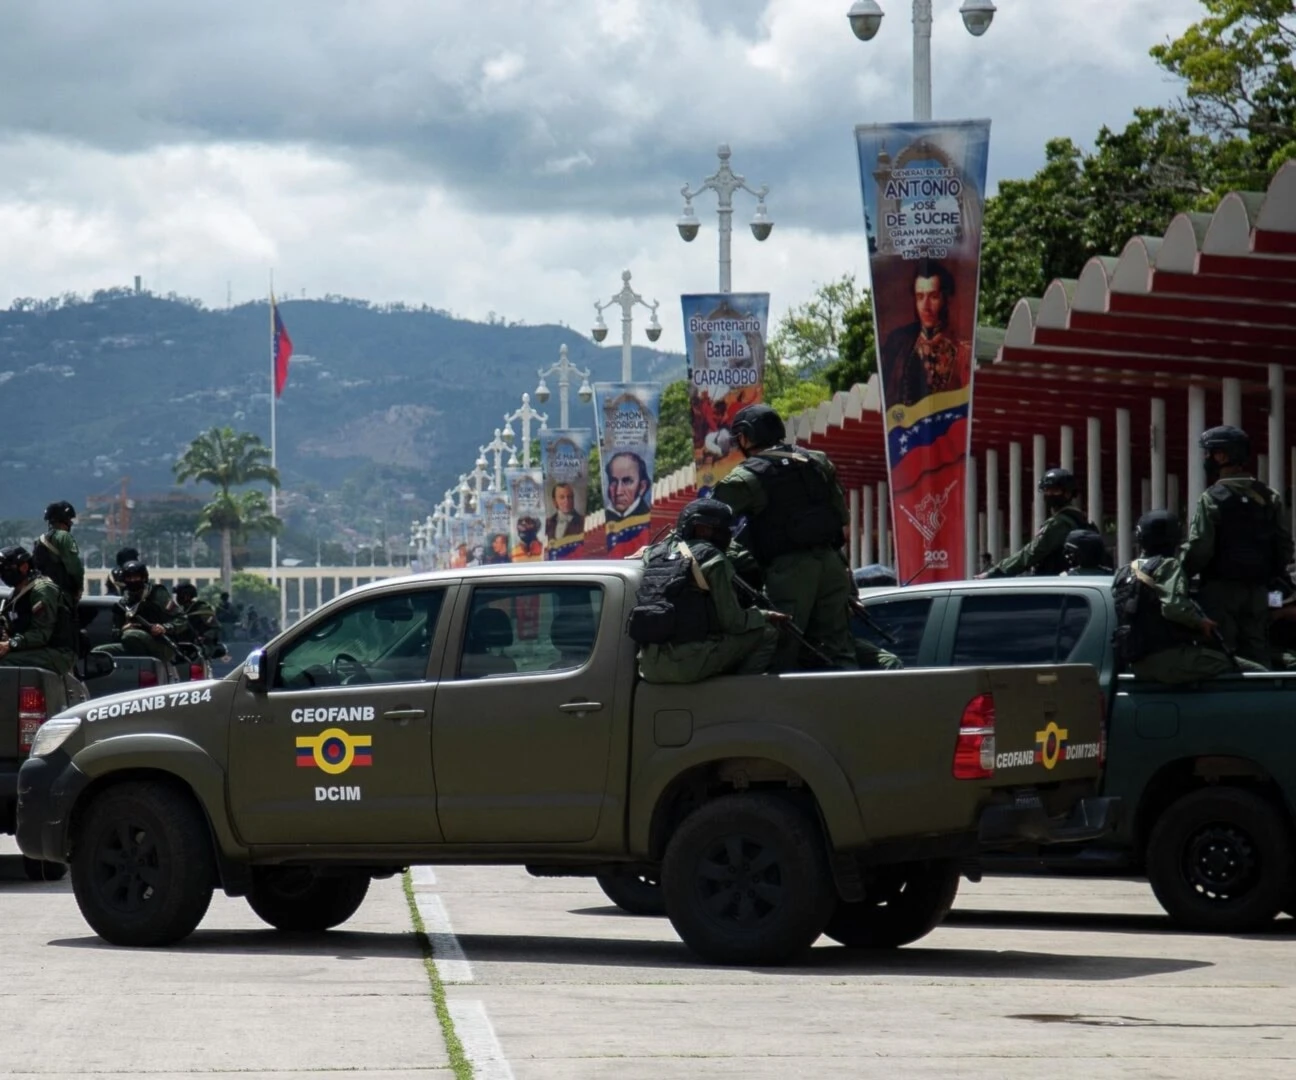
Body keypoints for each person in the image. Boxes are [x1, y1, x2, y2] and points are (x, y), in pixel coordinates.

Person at [713, 403, 857, 671]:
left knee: (782, 648)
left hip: (790, 573)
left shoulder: (747, 476)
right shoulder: (817, 461)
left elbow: (705, 519)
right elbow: (844, 522)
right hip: (833, 566)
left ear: (745, 436)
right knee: (839, 650)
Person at [631, 499, 785, 684]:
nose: (728, 534)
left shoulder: (654, 553)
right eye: (723, 529)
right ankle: (740, 694)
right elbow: (734, 622)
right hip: (685, 666)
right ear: (702, 529)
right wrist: (765, 615)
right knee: (767, 632)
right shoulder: (713, 558)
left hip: (648, 666)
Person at [1181, 425, 1294, 666]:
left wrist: (1180, 575)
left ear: (1222, 456)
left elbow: (1200, 547)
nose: (1206, 459)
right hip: (1259, 591)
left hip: (1220, 591)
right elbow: (1284, 545)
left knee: (1224, 655)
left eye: (1209, 453)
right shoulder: (1269, 496)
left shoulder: (1211, 497)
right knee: (1258, 649)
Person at [1113, 510, 1265, 683]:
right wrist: (1200, 622)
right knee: (1255, 672)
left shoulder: (1123, 571)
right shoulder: (1168, 565)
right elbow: (1173, 607)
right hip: (1170, 660)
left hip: (1137, 663)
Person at [879, 259, 972, 409]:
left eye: (933, 297)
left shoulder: (962, 353)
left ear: (945, 299)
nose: (925, 306)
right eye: (920, 297)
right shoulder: (900, 346)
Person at [980, 468, 1097, 578]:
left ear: (1068, 493)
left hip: (1054, 584)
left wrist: (996, 572)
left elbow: (1031, 553)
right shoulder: (1080, 518)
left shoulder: (1059, 523)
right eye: (1047, 491)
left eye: (1055, 491)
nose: (1049, 495)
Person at [0, 545, 77, 675]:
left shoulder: (42, 590)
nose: (3, 574)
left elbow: (41, 634)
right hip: (35, 649)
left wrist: (10, 644)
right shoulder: (15, 596)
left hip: (57, 653)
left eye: (6, 569)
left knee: (4, 663)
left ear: (24, 567)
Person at [96, 560, 186, 662]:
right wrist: (124, 628)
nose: (132, 581)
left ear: (143, 577)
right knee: (99, 652)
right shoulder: (123, 603)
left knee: (132, 635)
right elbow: (115, 633)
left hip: (160, 645)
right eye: (129, 578)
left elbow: (182, 619)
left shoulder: (157, 594)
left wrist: (164, 628)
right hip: (132, 644)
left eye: (136, 577)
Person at [32, 500, 84, 604]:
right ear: (64, 520)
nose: (71, 523)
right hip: (61, 594)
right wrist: (79, 587)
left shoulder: (39, 540)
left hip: (42, 592)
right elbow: (74, 567)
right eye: (69, 520)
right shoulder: (64, 537)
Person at [172, 583, 223, 659]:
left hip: (201, 647)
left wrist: (204, 637)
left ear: (186, 596)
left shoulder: (201, 608)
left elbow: (216, 628)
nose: (177, 597)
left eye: (179, 595)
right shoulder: (180, 611)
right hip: (182, 646)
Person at [604, 452, 652, 522]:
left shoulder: (646, 519)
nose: (618, 492)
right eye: (613, 481)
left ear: (642, 487)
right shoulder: (605, 517)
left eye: (627, 482)